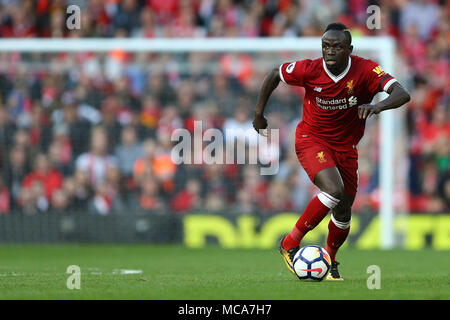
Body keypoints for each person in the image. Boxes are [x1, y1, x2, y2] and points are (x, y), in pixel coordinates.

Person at [252, 23, 410, 280]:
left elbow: (402, 93)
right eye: (326, 46)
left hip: (346, 147)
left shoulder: (367, 70)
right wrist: (259, 114)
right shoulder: (310, 69)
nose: (330, 51)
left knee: (344, 211)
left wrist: (377, 106)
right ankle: (289, 243)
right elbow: (274, 74)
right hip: (311, 140)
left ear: (349, 49)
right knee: (333, 190)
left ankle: (330, 260)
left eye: (337, 46)